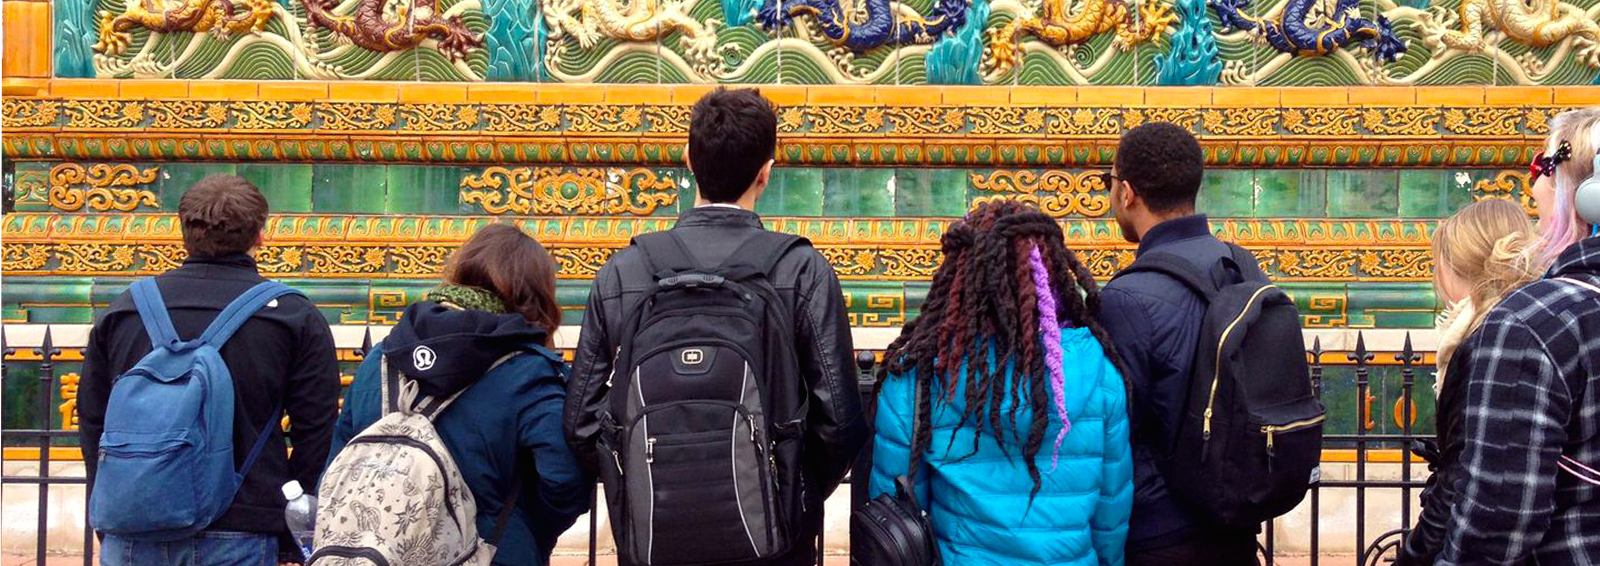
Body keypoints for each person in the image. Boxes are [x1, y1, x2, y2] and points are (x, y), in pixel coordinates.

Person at [565, 87, 867, 566]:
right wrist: (788, 497)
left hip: (652, 541)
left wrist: (640, 490)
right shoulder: (802, 270)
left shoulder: (625, 271)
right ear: (767, 171)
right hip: (774, 546)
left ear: (687, 159)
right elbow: (840, 422)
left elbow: (581, 419)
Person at [79, 174, 340, 565]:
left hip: (136, 523)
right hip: (244, 520)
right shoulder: (291, 316)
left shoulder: (126, 310)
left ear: (184, 230)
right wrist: (290, 521)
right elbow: (316, 430)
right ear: (260, 236)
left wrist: (107, 506)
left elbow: (93, 421)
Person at [868, 200, 1133, 565]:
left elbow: (894, 516)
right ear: (1051, 273)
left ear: (958, 273)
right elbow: (1111, 517)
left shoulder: (919, 378)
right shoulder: (1099, 374)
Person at [327, 224, 590, 566]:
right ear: (537, 294)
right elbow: (564, 479)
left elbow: (338, 463)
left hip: (380, 554)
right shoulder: (528, 372)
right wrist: (521, 528)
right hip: (491, 552)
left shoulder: (382, 358)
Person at [1409, 108, 1600, 565]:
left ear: (1585, 195)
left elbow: (1495, 528)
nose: (1533, 184)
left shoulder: (1532, 324)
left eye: (1542, 167)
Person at [1094, 122, 1267, 565]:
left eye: (1109, 182)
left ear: (1127, 192)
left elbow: (1117, 429)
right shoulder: (1244, 266)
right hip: (1237, 520)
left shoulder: (1127, 297)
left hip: (1161, 531)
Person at [1395, 200, 1540, 565]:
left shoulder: (1484, 341)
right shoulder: (1530, 321)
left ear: (1450, 265)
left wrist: (1413, 556)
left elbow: (1461, 478)